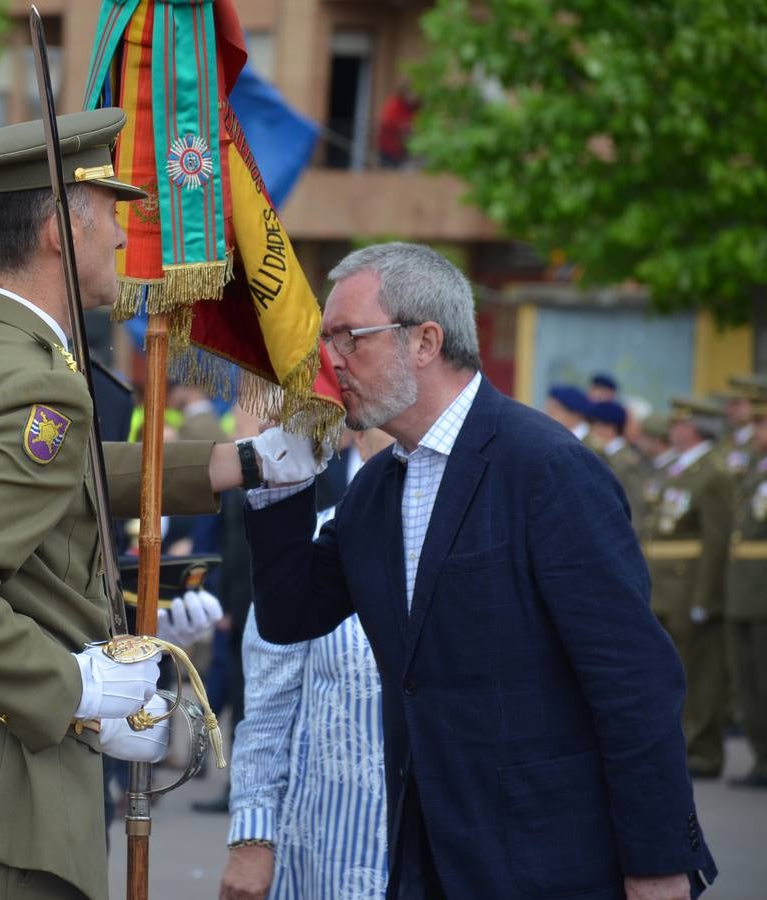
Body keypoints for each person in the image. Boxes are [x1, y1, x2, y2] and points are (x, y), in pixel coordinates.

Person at [0, 108, 313, 900]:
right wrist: (75, 689)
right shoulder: (37, 380)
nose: (121, 234)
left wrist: (231, 462)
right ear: (56, 232)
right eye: (111, 212)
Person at [245, 242, 715, 899]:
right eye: (327, 339)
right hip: (427, 856)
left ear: (425, 341)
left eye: (348, 337)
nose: (330, 361)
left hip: (550, 860)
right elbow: (293, 613)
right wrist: (280, 485)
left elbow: (632, 681)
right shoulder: (379, 487)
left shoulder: (546, 469)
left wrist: (659, 862)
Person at [221, 427, 394, 900]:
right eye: (391, 423)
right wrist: (252, 839)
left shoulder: (480, 536)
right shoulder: (315, 543)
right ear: (360, 435)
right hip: (329, 857)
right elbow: (266, 711)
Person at [648, 397, 735, 780]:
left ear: (695, 428)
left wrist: (705, 596)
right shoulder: (677, 467)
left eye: (681, 423)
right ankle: (676, 744)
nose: (673, 429)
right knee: (668, 671)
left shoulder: (713, 473)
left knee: (698, 673)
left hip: (689, 586)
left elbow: (716, 542)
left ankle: (702, 751)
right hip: (664, 585)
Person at [727, 399, 767, 788]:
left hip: (762, 589)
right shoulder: (755, 469)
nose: (756, 433)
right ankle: (762, 759)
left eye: (762, 425)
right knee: (750, 679)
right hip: (746, 588)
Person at [589, 399, 648, 521]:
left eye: (594, 424)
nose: (592, 430)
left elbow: (635, 505)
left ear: (608, 428)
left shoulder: (628, 461)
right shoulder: (603, 454)